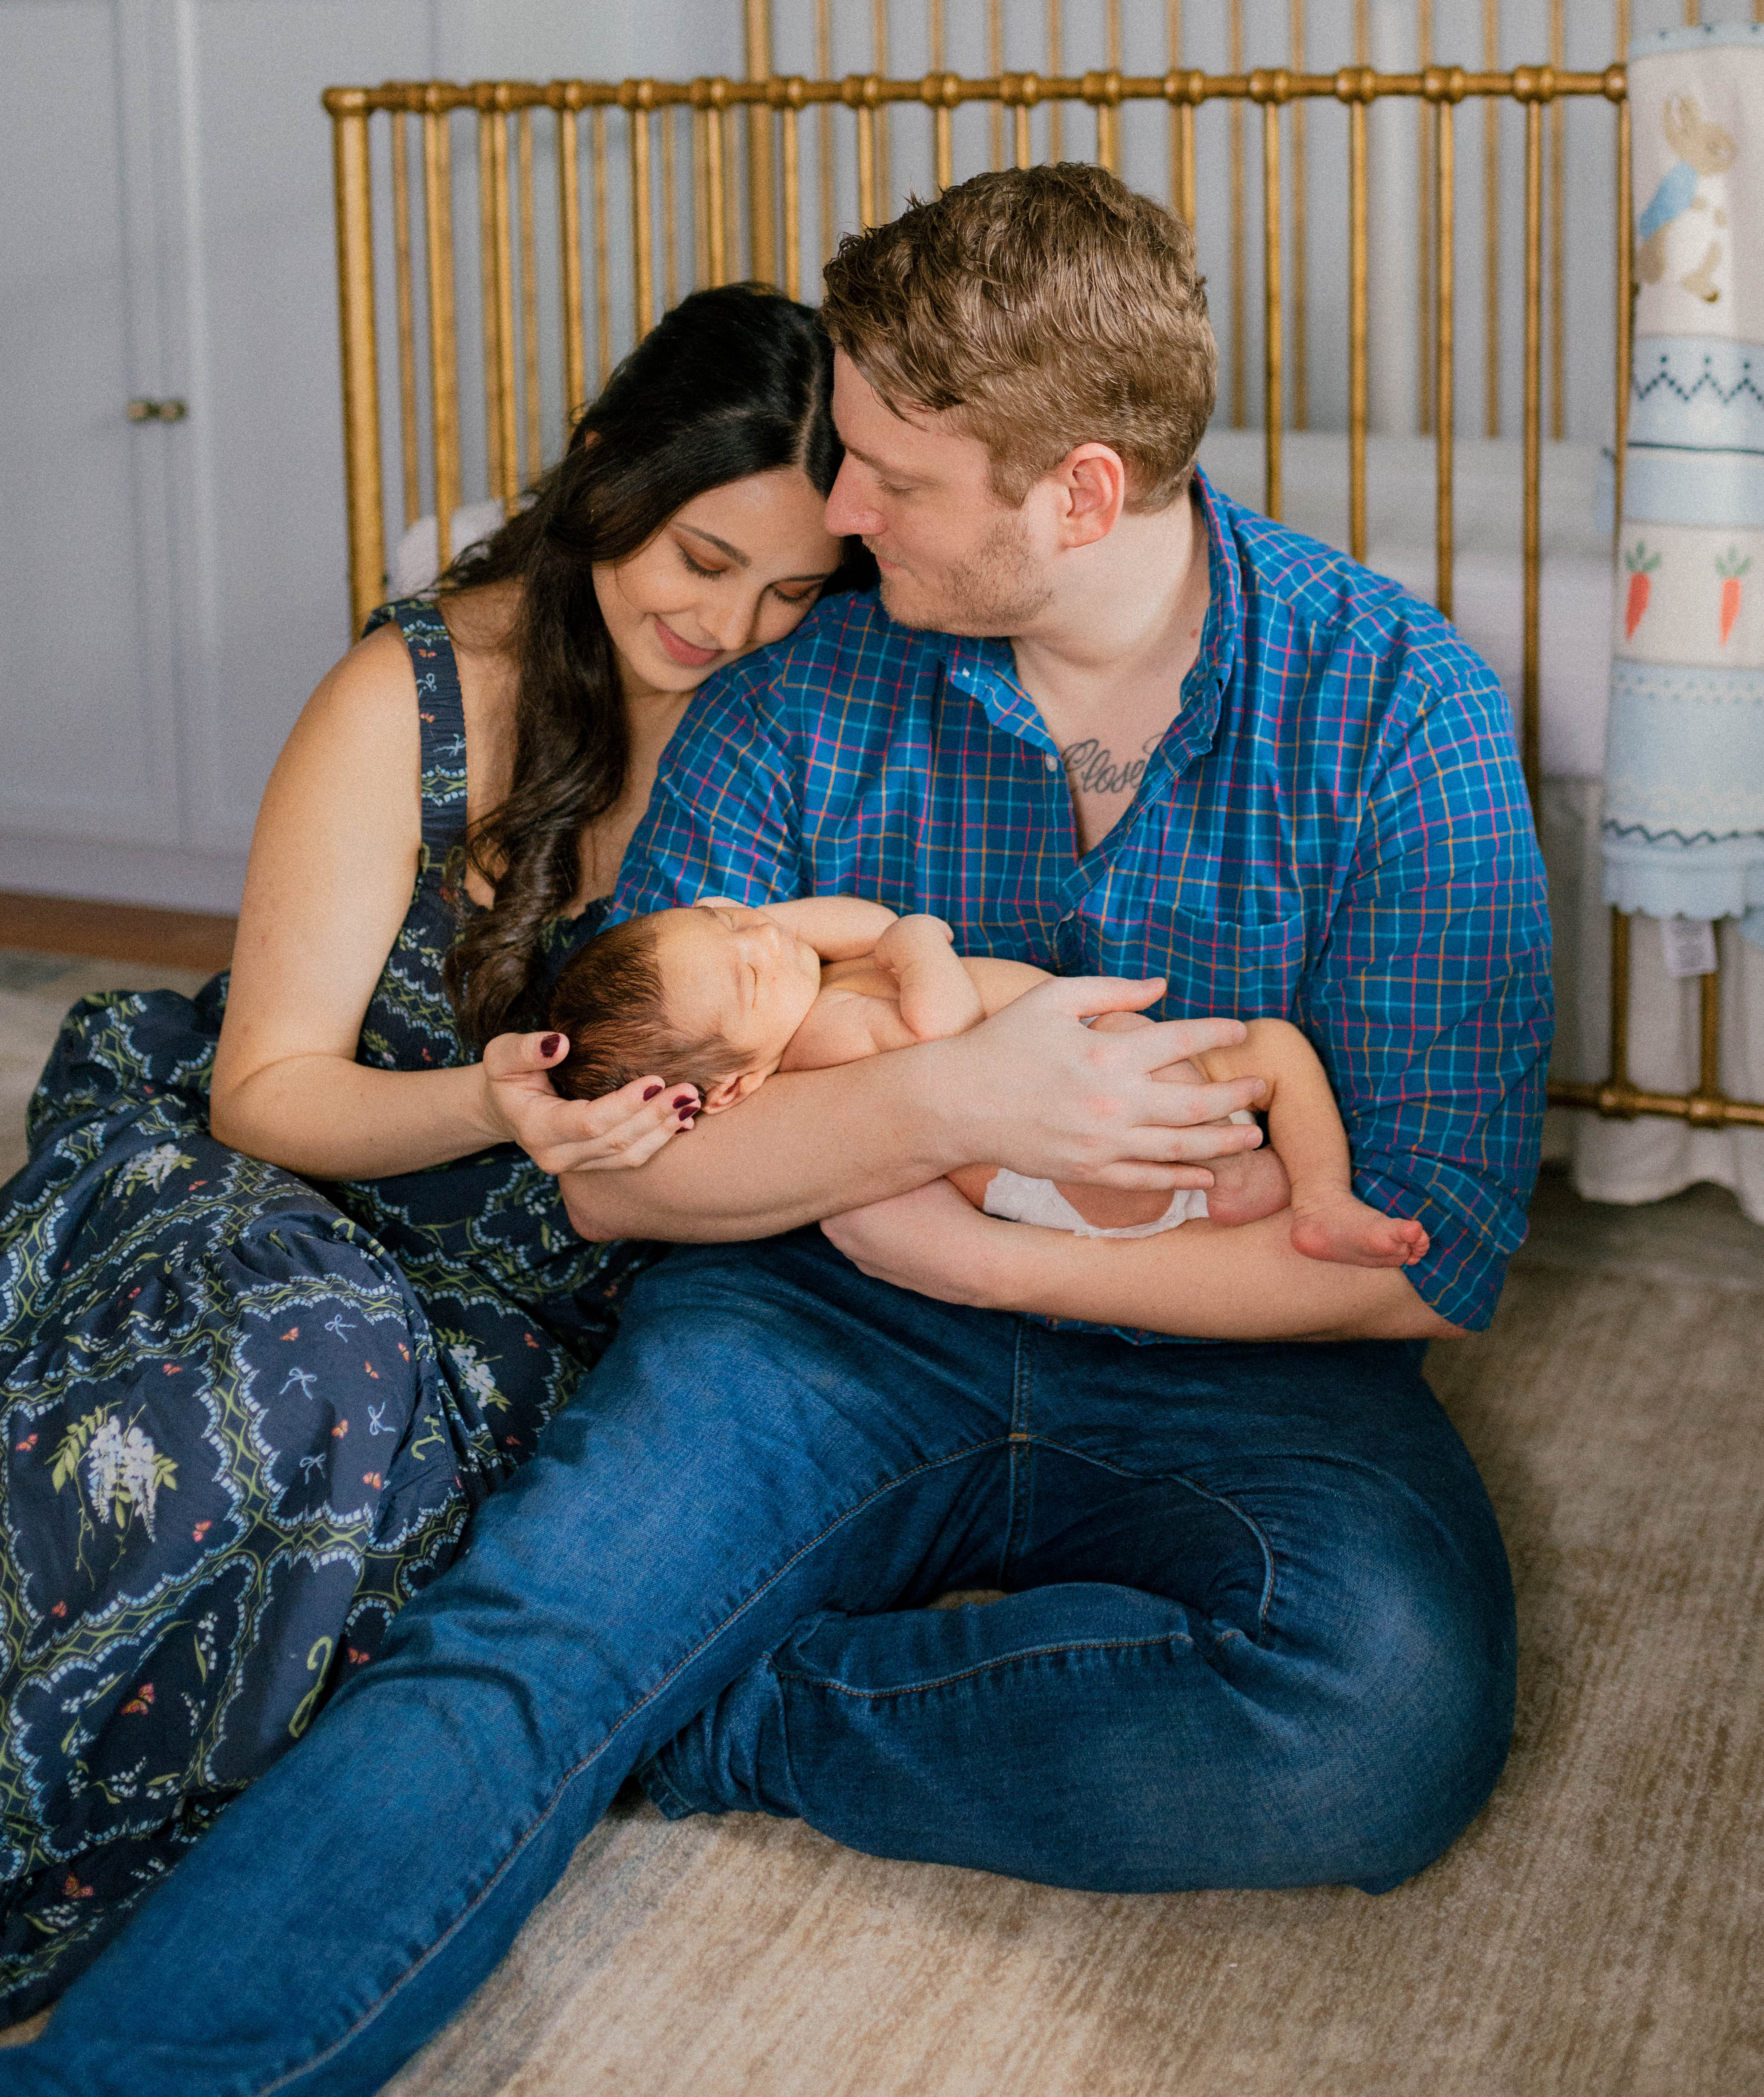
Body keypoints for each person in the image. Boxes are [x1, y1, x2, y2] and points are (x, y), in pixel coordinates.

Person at [8, 165, 1551, 2097]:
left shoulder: (1397, 711)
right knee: (521, 1643)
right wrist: (933, 1108)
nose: (837, 508)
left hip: (1218, 1345)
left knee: (1384, 1725)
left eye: (892, 476)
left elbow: (1430, 1249)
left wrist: (982, 1243)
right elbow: (617, 1154)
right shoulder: (808, 688)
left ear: (1074, 492)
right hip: (817, 1318)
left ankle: (722, 1721)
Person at [0, 285, 864, 2022]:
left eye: (786, 588)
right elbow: (271, 1085)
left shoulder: (789, 718)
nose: (732, 622)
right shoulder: (412, 692)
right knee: (281, 1371)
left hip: (537, 1289)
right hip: (295, 1166)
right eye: (701, 557)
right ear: (607, 471)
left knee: (433, 1537)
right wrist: (495, 1103)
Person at [546, 892, 1428, 1257]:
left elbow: (858, 922)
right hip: (1060, 1149)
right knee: (1268, 1049)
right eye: (744, 968)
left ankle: (1304, 1202)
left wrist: (754, 928)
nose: (763, 939)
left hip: (1079, 1119)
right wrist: (920, 938)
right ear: (731, 1087)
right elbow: (941, 1028)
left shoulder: (797, 984)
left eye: (727, 918)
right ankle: (1316, 1198)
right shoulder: (824, 1031)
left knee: (1248, 1133)